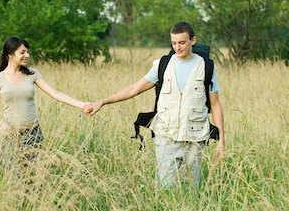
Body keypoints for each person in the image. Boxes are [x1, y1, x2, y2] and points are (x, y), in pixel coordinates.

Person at [84, 21, 225, 188]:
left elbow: (215, 105)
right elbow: (134, 89)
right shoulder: (162, 65)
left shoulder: (207, 67)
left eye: (182, 42)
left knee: (191, 189)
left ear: (192, 41)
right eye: (174, 43)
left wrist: (222, 141)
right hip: (165, 134)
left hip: (195, 137)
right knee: (166, 187)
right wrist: (103, 101)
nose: (177, 47)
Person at [0, 36, 86, 172]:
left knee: (33, 175)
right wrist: (1, 123)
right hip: (10, 134)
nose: (27, 55)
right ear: (9, 54)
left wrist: (82, 105)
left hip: (33, 133)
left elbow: (56, 94)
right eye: (22, 52)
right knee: (10, 174)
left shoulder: (32, 74)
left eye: (27, 52)